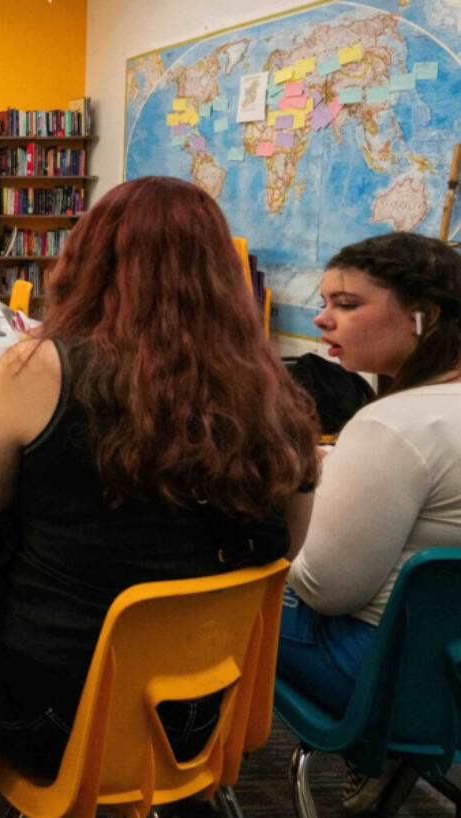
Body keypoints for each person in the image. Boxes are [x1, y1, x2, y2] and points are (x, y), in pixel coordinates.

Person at [0, 177, 321, 818]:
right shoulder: (282, 398)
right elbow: (287, 548)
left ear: (91, 261)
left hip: (49, 712)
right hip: (208, 710)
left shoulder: (41, 366)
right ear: (223, 278)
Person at [278, 232, 461, 812]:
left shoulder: (392, 424)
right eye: (325, 301)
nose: (322, 319)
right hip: (449, 667)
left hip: (387, 679)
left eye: (347, 305)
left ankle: (189, 769)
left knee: (197, 594)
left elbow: (325, 590)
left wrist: (290, 502)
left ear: (422, 317)